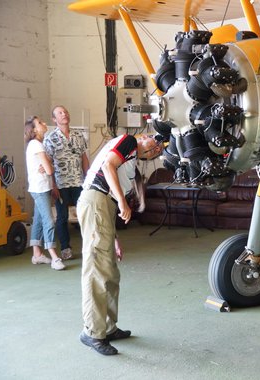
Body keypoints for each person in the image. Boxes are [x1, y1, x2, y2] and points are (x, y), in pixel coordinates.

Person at [77, 134, 163, 355]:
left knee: (110, 273)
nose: (151, 142)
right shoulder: (128, 141)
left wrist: (114, 238)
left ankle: (107, 327)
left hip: (103, 206)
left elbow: (111, 199)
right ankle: (92, 333)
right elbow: (107, 166)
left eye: (155, 146)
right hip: (97, 200)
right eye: (151, 139)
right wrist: (124, 203)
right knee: (97, 271)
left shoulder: (132, 160)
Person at [43, 105, 89, 260]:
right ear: (54, 119)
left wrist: (88, 179)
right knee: (62, 217)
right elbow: (48, 163)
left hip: (79, 182)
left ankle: (89, 246)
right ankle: (65, 248)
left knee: (85, 214)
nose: (64, 114)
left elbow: (83, 158)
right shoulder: (50, 138)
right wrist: (53, 186)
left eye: (66, 112)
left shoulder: (79, 135)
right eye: (60, 113)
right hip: (61, 184)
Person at [24, 117, 66, 271]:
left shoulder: (37, 144)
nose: (43, 124)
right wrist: (48, 164)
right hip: (40, 189)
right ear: (34, 130)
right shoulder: (36, 145)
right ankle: (54, 257)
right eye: (40, 123)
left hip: (40, 187)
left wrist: (47, 163)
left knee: (39, 220)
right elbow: (49, 170)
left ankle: (37, 254)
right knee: (49, 221)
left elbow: (47, 166)